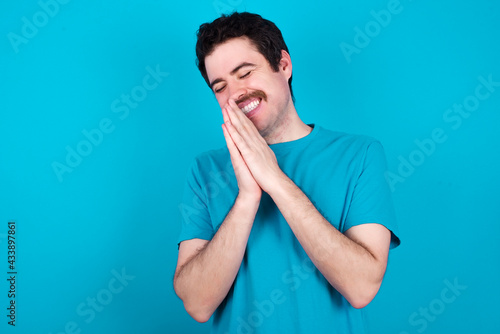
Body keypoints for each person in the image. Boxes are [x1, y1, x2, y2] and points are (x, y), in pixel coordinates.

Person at [174, 12, 400, 334]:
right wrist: (248, 198)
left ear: (283, 65)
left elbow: (362, 287)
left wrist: (275, 180)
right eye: (220, 86)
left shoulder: (360, 154)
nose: (235, 94)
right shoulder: (205, 170)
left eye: (245, 73)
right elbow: (197, 304)